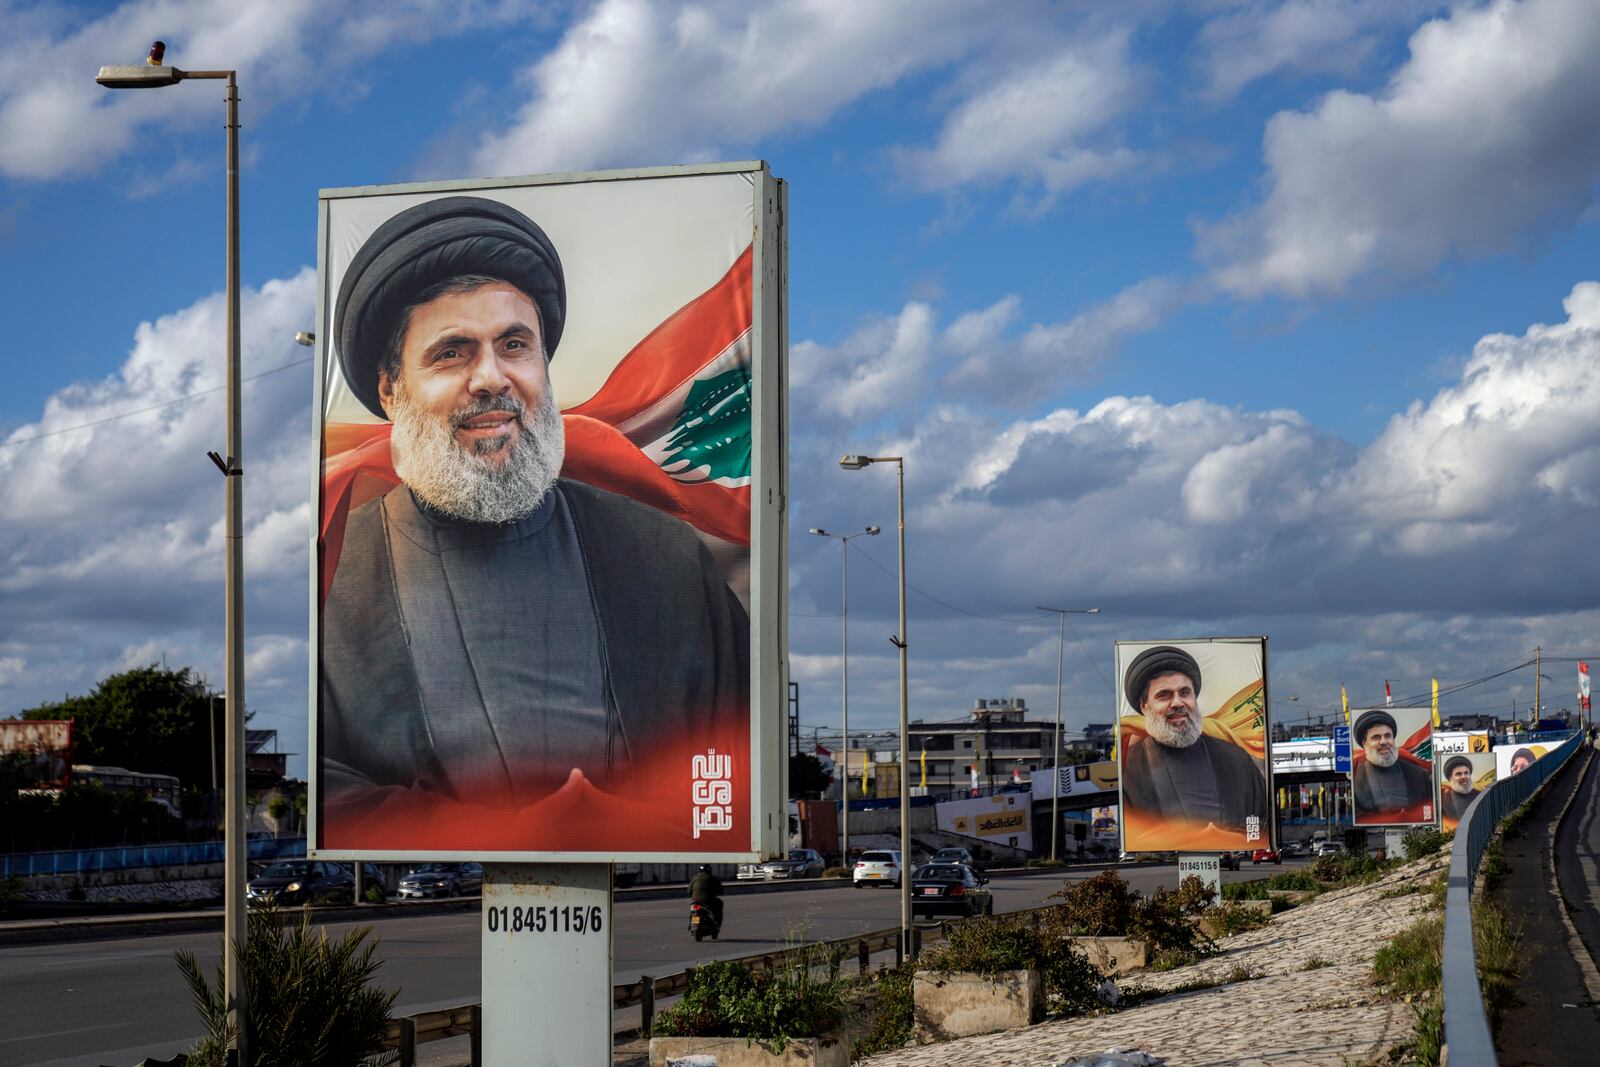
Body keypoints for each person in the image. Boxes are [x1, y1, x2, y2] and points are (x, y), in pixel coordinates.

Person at [320, 195, 749, 813]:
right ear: (391, 392)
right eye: (452, 352)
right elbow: (329, 793)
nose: (492, 378)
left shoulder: (663, 557)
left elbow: (729, 755)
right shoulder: (334, 577)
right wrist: (501, 830)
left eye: (515, 345)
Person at [1119, 645, 1268, 836]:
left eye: (1184, 692)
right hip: (1166, 862)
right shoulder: (1129, 769)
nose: (1178, 703)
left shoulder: (1236, 758)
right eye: (1164, 695)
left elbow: (1260, 822)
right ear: (1144, 705)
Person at [1351, 710, 1432, 821]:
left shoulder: (1418, 774)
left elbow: (1428, 810)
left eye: (1388, 736)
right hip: (1373, 835)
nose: (1384, 742)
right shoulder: (1355, 778)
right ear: (1365, 743)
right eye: (1376, 737)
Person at [1439, 755, 1480, 825]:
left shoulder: (1481, 795)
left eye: (1466, 773)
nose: (1464, 777)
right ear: (1450, 778)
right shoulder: (1443, 800)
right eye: (1458, 774)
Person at [688, 864, 724, 928]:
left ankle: (694, 924)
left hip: (695, 900)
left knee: (694, 913)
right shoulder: (712, 877)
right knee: (719, 904)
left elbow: (689, 891)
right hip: (709, 900)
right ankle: (717, 924)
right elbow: (720, 890)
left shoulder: (694, 878)